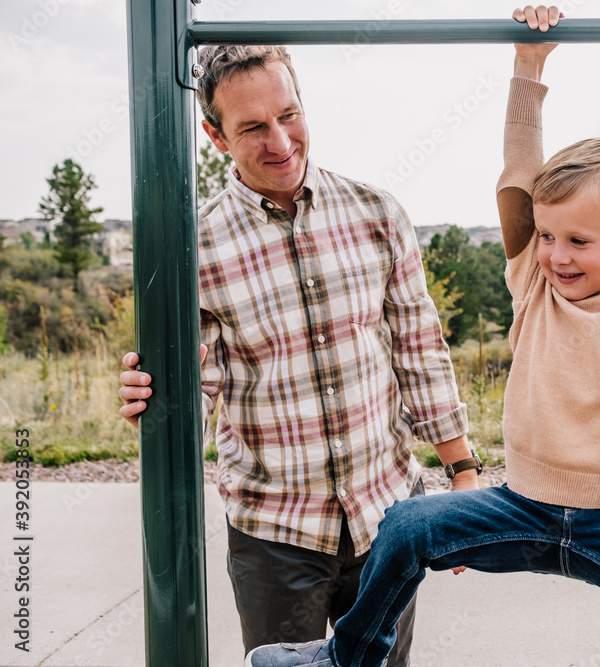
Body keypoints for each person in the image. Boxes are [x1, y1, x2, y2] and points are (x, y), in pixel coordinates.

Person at [245, 6, 600, 667]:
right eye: (547, 236)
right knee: (404, 527)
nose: (556, 255)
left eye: (578, 240)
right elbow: (520, 174)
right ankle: (345, 659)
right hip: (519, 509)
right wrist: (528, 65)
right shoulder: (534, 283)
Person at [117, 44, 482, 665]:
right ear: (215, 135)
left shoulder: (376, 213)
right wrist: (148, 401)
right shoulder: (193, 246)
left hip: (388, 515)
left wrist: (463, 473)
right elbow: (191, 385)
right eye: (253, 127)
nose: (280, 141)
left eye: (288, 115)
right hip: (275, 535)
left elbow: (420, 350)